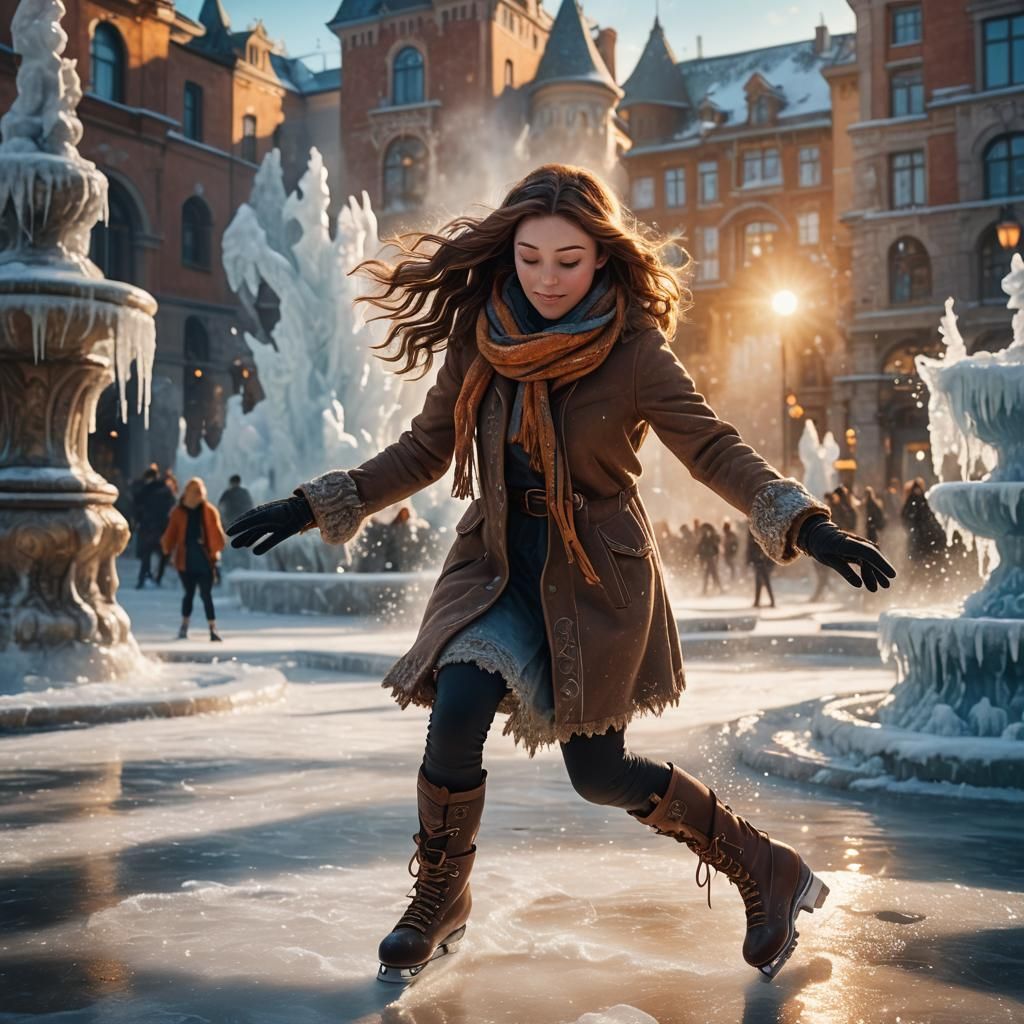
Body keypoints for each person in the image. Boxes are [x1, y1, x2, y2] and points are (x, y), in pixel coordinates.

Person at [226, 164, 895, 985]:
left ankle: (766, 869)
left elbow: (712, 447)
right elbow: (426, 450)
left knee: (599, 773)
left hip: (595, 578)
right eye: (531, 257)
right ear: (508, 253)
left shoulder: (636, 350)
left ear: (602, 259)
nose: (546, 277)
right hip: (499, 562)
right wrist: (323, 502)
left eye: (568, 260)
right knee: (459, 701)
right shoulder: (482, 338)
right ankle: (442, 897)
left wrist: (804, 522)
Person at [161, 477, 227, 641]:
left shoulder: (209, 510)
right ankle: (184, 626)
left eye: (200, 492)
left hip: (205, 559)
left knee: (206, 594)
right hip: (186, 559)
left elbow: (217, 534)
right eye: (195, 492)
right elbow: (171, 533)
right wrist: (166, 548)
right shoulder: (178, 512)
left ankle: (213, 629)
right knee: (189, 594)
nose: (199, 495)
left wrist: (216, 550)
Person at [133, 466, 175, 588]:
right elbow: (172, 506)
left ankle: (142, 579)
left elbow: (137, 507)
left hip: (148, 526)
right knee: (163, 553)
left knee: (146, 553)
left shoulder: (145, 490)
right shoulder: (166, 490)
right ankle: (158, 578)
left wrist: (137, 521)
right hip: (163, 526)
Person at [218, 474, 255, 574]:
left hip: (232, 525)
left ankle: (233, 569)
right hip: (243, 524)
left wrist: (222, 522)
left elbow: (220, 507)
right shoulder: (245, 492)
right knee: (243, 547)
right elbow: (251, 507)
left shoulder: (228, 493)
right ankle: (246, 569)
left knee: (233, 548)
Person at [746, 522, 776, 608]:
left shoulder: (758, 529)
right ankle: (760, 601)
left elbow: (751, 546)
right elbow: (750, 546)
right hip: (759, 559)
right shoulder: (755, 529)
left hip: (762, 559)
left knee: (764, 580)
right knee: (760, 580)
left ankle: (767, 601)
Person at [696, 521, 723, 595]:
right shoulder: (705, 537)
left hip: (711, 558)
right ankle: (708, 590)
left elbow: (716, 546)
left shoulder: (712, 536)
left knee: (713, 575)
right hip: (708, 558)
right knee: (709, 575)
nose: (702, 531)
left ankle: (719, 590)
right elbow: (700, 547)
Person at [721, 518, 740, 583]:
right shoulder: (725, 535)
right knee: (729, 566)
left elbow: (735, 544)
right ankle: (730, 579)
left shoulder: (731, 535)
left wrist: (734, 551)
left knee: (731, 567)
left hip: (730, 553)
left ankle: (732, 579)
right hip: (727, 553)